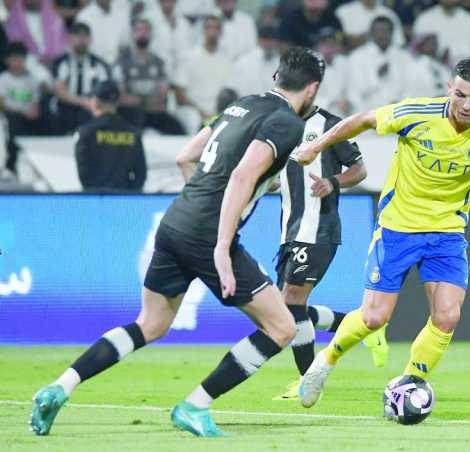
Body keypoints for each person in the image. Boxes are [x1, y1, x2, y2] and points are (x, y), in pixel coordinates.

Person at [29, 47, 325, 438]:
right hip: (207, 235)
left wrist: (201, 212)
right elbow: (240, 177)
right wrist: (220, 244)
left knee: (150, 324)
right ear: (313, 88)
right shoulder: (286, 122)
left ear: (275, 78)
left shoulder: (241, 105)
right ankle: (194, 406)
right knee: (282, 328)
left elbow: (187, 155)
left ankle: (59, 387)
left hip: (176, 220)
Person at [295, 57, 470, 408]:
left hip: (447, 234)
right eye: (460, 95)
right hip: (398, 229)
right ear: (449, 89)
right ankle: (325, 362)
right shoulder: (417, 114)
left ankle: (410, 383)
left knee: (447, 316)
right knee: (373, 318)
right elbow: (364, 119)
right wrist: (315, 146)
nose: (467, 105)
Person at [272, 104, 388, 400]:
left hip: (317, 229)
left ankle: (307, 381)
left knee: (291, 302)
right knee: (283, 310)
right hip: (290, 230)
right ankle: (362, 325)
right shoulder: (280, 124)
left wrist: (333, 182)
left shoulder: (330, 125)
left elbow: (360, 170)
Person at [113, 18, 185, 135]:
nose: (142, 34)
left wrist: (139, 99)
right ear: (132, 34)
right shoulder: (121, 62)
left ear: (151, 34)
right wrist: (147, 100)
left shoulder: (158, 62)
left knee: (178, 128)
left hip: (154, 112)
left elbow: (162, 98)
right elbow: (120, 97)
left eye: (146, 30)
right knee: (134, 115)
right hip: (129, 113)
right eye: (138, 30)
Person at [74, 80, 146, 192]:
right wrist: (129, 194)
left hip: (95, 200)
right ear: (117, 102)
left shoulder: (86, 132)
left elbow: (84, 173)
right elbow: (141, 174)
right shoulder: (133, 133)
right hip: (125, 200)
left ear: (95, 102)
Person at [51, 21, 111, 134]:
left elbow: (105, 89)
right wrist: (83, 102)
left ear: (90, 39)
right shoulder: (61, 62)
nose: (81, 40)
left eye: (85, 36)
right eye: (77, 36)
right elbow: (60, 91)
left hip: (92, 108)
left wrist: (92, 103)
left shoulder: (99, 64)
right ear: (69, 38)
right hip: (67, 107)